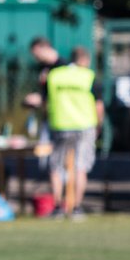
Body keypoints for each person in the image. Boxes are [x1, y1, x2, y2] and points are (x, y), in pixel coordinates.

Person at [45, 46, 103, 218]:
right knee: (80, 167)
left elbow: (46, 103)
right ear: (85, 60)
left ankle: (57, 207)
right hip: (84, 126)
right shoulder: (89, 76)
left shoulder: (54, 75)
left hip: (60, 125)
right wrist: (99, 125)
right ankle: (76, 208)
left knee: (56, 167)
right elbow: (98, 105)